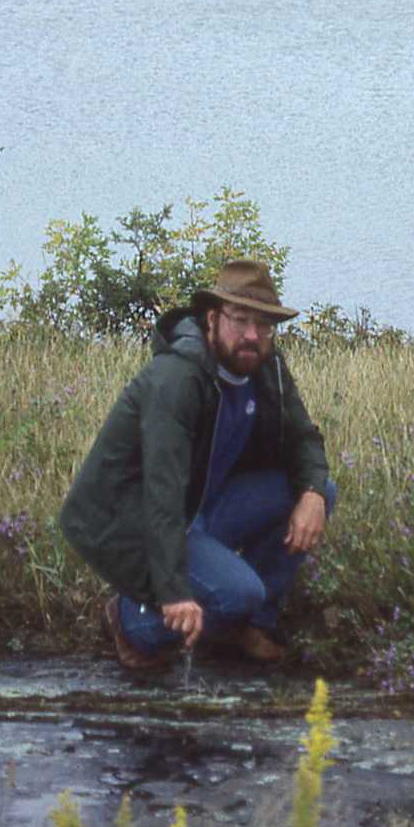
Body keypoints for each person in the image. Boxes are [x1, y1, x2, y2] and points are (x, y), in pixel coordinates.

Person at [59, 259, 336, 670]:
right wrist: (172, 591)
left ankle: (250, 626)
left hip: (202, 508)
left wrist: (312, 491)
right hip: (129, 520)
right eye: (240, 320)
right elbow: (161, 489)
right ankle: (130, 621)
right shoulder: (178, 378)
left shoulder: (267, 367)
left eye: (264, 325)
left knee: (320, 491)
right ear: (212, 318)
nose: (252, 336)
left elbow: (301, 438)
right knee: (237, 593)